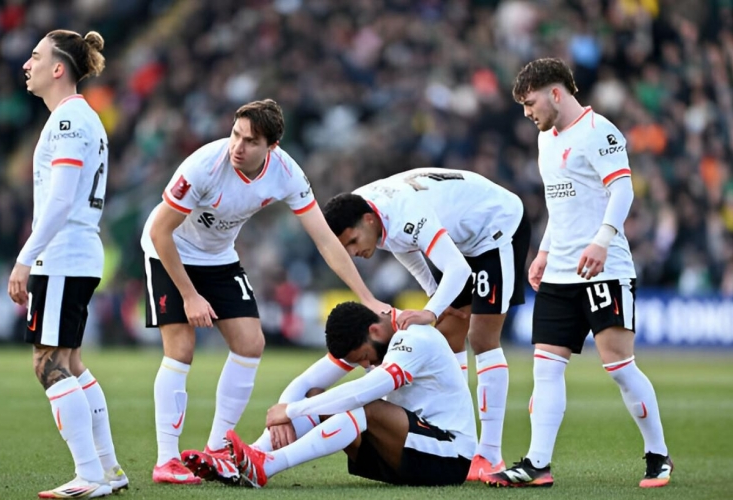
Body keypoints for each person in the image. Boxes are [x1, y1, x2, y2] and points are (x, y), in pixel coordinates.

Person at [141, 99, 391, 484]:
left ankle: (217, 447)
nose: (237, 146)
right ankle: (166, 460)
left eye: (250, 141)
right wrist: (190, 296)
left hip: (219, 258)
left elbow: (325, 241)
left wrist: (367, 296)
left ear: (271, 148)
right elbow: (161, 231)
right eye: (235, 134)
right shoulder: (203, 166)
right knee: (181, 349)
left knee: (250, 343)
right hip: (170, 251)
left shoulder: (287, 173)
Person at [487, 58, 672, 488]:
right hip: (560, 275)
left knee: (620, 367)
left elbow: (621, 189)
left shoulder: (599, 132)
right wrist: (545, 252)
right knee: (546, 368)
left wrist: (602, 241)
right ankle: (537, 464)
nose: (527, 113)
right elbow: (560, 204)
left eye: (531, 103)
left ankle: (658, 455)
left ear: (555, 93)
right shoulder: (545, 140)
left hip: (604, 270)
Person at [322, 168, 531, 481]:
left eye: (352, 242)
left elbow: (457, 269)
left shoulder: (403, 211)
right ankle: (460, 433)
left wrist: (431, 311)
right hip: (463, 237)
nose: (353, 254)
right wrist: (435, 296)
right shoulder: (370, 212)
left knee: (483, 337)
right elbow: (404, 247)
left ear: (367, 221)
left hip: (496, 227)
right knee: (448, 337)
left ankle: (489, 455)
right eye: (346, 249)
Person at [7, 30, 127, 498]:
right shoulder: (78, 117)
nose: (26, 64)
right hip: (76, 253)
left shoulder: (68, 122)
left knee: (48, 364)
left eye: (35, 56)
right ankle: (108, 469)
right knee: (71, 363)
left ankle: (89, 476)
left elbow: (59, 201)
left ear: (58, 68)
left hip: (63, 255)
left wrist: (24, 258)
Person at [188, 301, 476, 488]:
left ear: (374, 330)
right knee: (318, 396)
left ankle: (267, 465)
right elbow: (306, 382)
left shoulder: (415, 337)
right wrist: (284, 415)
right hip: (406, 457)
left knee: (367, 407)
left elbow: (365, 391)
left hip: (450, 458)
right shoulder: (374, 340)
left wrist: (291, 411)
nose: (366, 364)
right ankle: (251, 457)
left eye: (363, 357)